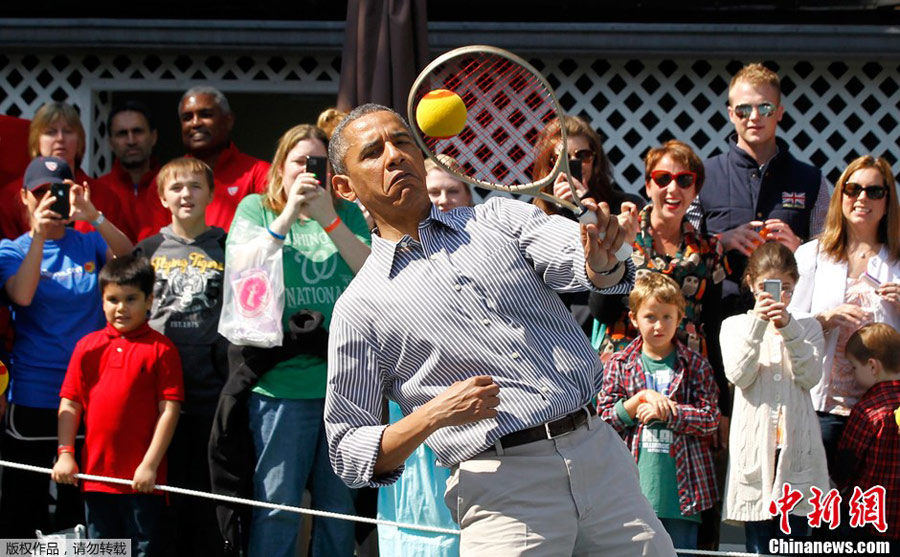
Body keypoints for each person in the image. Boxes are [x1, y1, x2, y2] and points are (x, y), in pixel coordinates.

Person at [324, 103, 674, 555]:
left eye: (403, 142)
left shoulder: (500, 219)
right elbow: (348, 450)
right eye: (373, 151)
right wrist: (433, 414)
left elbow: (585, 263)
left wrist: (604, 261)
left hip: (599, 457)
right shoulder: (359, 306)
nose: (394, 156)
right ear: (344, 187)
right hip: (501, 490)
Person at [230, 123, 370, 557]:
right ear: (281, 167)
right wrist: (288, 214)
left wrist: (328, 216)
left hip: (342, 386)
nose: (308, 172)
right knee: (277, 504)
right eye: (299, 162)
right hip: (280, 384)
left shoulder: (344, 213)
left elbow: (371, 270)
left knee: (339, 507)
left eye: (317, 163)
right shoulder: (258, 208)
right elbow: (241, 263)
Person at [0, 156, 133, 538]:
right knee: (22, 503)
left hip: (92, 392)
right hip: (35, 391)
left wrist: (94, 216)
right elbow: (21, 296)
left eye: (58, 191)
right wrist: (39, 236)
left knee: (83, 504)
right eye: (41, 192)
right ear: (24, 197)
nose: (49, 200)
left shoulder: (89, 240)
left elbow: (130, 261)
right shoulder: (11, 249)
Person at [52, 255, 183, 557]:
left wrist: (149, 465)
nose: (121, 307)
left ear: (149, 300)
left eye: (131, 299)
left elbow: (169, 411)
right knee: (103, 550)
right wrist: (65, 454)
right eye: (112, 299)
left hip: (143, 484)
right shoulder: (87, 347)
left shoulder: (162, 350)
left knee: (144, 549)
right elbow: (70, 404)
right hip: (95, 481)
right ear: (101, 301)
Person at [134, 157, 227, 555]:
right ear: (162, 197)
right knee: (158, 483)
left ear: (210, 193)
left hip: (211, 386)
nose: (185, 194)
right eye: (176, 188)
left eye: (194, 186)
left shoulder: (227, 243)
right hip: (158, 387)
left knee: (205, 484)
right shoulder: (149, 248)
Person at [375, 156, 467, 557]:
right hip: (412, 412)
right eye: (434, 193)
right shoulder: (389, 256)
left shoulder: (492, 256)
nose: (444, 200)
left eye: (453, 191)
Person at [690, 63, 830, 318]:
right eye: (744, 109)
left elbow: (831, 256)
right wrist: (722, 242)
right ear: (731, 114)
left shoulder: (811, 180)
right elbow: (680, 249)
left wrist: (800, 247)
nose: (754, 117)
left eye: (764, 107)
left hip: (789, 319)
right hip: (718, 319)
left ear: (779, 112)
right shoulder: (702, 176)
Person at [789, 155, 900, 473]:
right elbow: (787, 322)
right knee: (825, 510)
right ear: (841, 196)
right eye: (853, 189)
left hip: (887, 409)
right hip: (825, 405)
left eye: (874, 191)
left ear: (887, 200)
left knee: (878, 510)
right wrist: (824, 319)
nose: (862, 198)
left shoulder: (897, 258)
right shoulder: (813, 254)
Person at [597, 273, 719, 553]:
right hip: (629, 491)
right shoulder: (619, 364)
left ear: (680, 316)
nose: (659, 325)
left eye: (667, 317)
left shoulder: (695, 365)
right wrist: (637, 402)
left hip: (682, 495)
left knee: (680, 551)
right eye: (650, 317)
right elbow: (602, 419)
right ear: (633, 318)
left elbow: (710, 418)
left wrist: (669, 413)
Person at [719, 242, 828, 553]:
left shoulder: (807, 325)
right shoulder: (735, 325)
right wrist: (759, 324)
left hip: (797, 453)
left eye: (786, 288)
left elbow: (810, 376)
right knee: (760, 546)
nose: (778, 296)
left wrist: (788, 328)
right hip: (756, 454)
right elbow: (739, 375)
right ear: (752, 283)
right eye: (769, 286)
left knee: (795, 544)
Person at [3, 102, 125, 239]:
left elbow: (121, 254)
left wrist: (95, 217)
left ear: (80, 140)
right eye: (50, 132)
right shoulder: (12, 196)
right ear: (36, 141)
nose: (60, 138)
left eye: (68, 131)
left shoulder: (104, 195)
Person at [834, 323, 900, 541]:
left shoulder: (869, 410)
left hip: (870, 517)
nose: (852, 375)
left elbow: (847, 461)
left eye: (853, 367)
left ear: (872, 366)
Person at [179, 86, 270, 231]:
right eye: (187, 118)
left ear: (228, 121)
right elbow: (154, 242)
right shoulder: (167, 179)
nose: (195, 123)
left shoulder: (259, 173)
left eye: (206, 114)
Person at [531, 114, 644, 218]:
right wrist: (561, 210)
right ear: (549, 163)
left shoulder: (625, 205)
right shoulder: (535, 214)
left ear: (595, 159)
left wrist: (586, 206)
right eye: (562, 158)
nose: (575, 163)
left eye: (583, 155)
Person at [95, 100, 169, 242]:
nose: (131, 140)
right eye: (122, 134)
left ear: (154, 137)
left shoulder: (175, 188)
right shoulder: (98, 191)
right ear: (111, 142)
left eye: (137, 131)